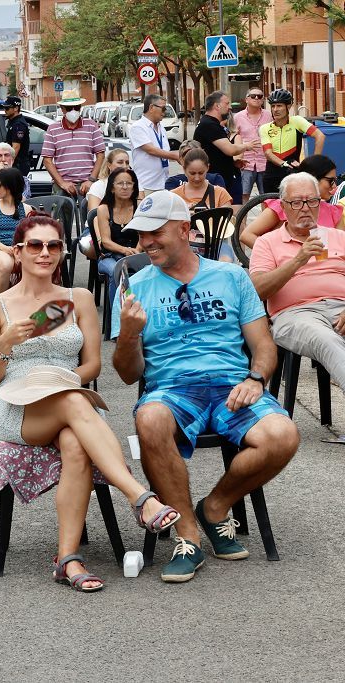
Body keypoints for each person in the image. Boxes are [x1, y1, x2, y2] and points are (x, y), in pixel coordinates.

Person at [0, 212, 180, 592]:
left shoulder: (76, 299)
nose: (45, 253)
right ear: (17, 252)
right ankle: (139, 497)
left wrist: (58, 382)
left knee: (74, 441)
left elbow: (91, 365)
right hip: (17, 407)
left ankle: (67, 559)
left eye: (54, 246)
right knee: (73, 404)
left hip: (67, 393)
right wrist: (5, 346)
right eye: (35, 245)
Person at [112, 190, 299, 583]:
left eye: (154, 232)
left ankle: (214, 507)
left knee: (283, 435)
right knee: (149, 419)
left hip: (232, 384)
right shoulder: (135, 288)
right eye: (140, 235)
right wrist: (129, 335)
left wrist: (255, 377)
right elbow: (129, 375)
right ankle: (188, 536)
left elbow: (263, 347)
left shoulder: (231, 277)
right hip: (174, 388)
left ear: (184, 230)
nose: (145, 243)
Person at [250, 172, 345, 398]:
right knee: (327, 340)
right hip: (296, 314)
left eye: (312, 201)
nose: (305, 208)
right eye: (296, 202)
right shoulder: (267, 242)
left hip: (341, 308)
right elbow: (257, 290)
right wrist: (298, 260)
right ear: (283, 205)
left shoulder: (338, 236)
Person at [240, 154, 345, 248]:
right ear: (312, 178)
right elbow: (247, 235)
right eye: (330, 181)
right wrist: (276, 256)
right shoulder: (284, 205)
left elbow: (340, 247)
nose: (334, 186)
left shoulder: (334, 212)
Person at [193, 91, 260, 205]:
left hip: (222, 176)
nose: (229, 107)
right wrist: (247, 146)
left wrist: (233, 162)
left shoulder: (212, 124)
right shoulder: (209, 125)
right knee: (228, 213)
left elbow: (215, 152)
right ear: (217, 106)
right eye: (227, 103)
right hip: (216, 179)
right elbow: (230, 150)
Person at [42, 90, 105, 199]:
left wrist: (91, 180)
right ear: (62, 109)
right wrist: (62, 183)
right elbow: (47, 160)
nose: (73, 111)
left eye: (76, 107)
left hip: (88, 184)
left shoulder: (91, 126)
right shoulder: (53, 129)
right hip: (62, 186)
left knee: (89, 215)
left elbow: (100, 155)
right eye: (69, 108)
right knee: (61, 215)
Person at [259, 89, 325, 193]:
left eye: (279, 106)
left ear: (288, 106)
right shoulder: (265, 128)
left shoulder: (297, 121)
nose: (275, 109)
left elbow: (320, 136)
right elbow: (268, 153)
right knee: (269, 207)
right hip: (271, 174)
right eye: (273, 106)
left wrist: (313, 163)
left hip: (292, 174)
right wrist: (284, 164)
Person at [0, 167, 33, 293]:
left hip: (20, 249)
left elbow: (29, 236)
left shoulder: (26, 209)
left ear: (10, 186)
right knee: (6, 264)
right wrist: (6, 249)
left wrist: (18, 250)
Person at [94, 168, 142, 300]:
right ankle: (116, 314)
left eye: (129, 183)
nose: (125, 187)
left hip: (136, 254)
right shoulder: (103, 209)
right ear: (112, 188)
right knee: (116, 271)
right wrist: (125, 251)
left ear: (134, 187)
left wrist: (136, 251)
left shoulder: (140, 206)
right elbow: (106, 241)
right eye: (120, 183)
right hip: (109, 256)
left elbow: (145, 235)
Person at [129, 94, 180, 195]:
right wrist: (176, 156)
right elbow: (151, 150)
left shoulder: (161, 127)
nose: (165, 112)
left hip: (163, 183)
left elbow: (164, 152)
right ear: (151, 107)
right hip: (146, 186)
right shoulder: (138, 127)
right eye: (163, 108)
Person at [234, 87, 273, 198]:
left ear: (262, 100)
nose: (256, 98)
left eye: (259, 96)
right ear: (246, 99)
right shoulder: (238, 117)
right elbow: (233, 138)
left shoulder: (269, 116)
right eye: (253, 96)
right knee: (243, 196)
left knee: (266, 197)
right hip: (246, 163)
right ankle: (242, 216)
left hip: (265, 162)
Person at [2, 95, 32, 177]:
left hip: (18, 165)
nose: (5, 111)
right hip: (16, 165)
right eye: (4, 108)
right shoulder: (13, 122)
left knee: (16, 188)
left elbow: (16, 147)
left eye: (7, 108)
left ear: (16, 108)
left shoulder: (18, 124)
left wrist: (8, 165)